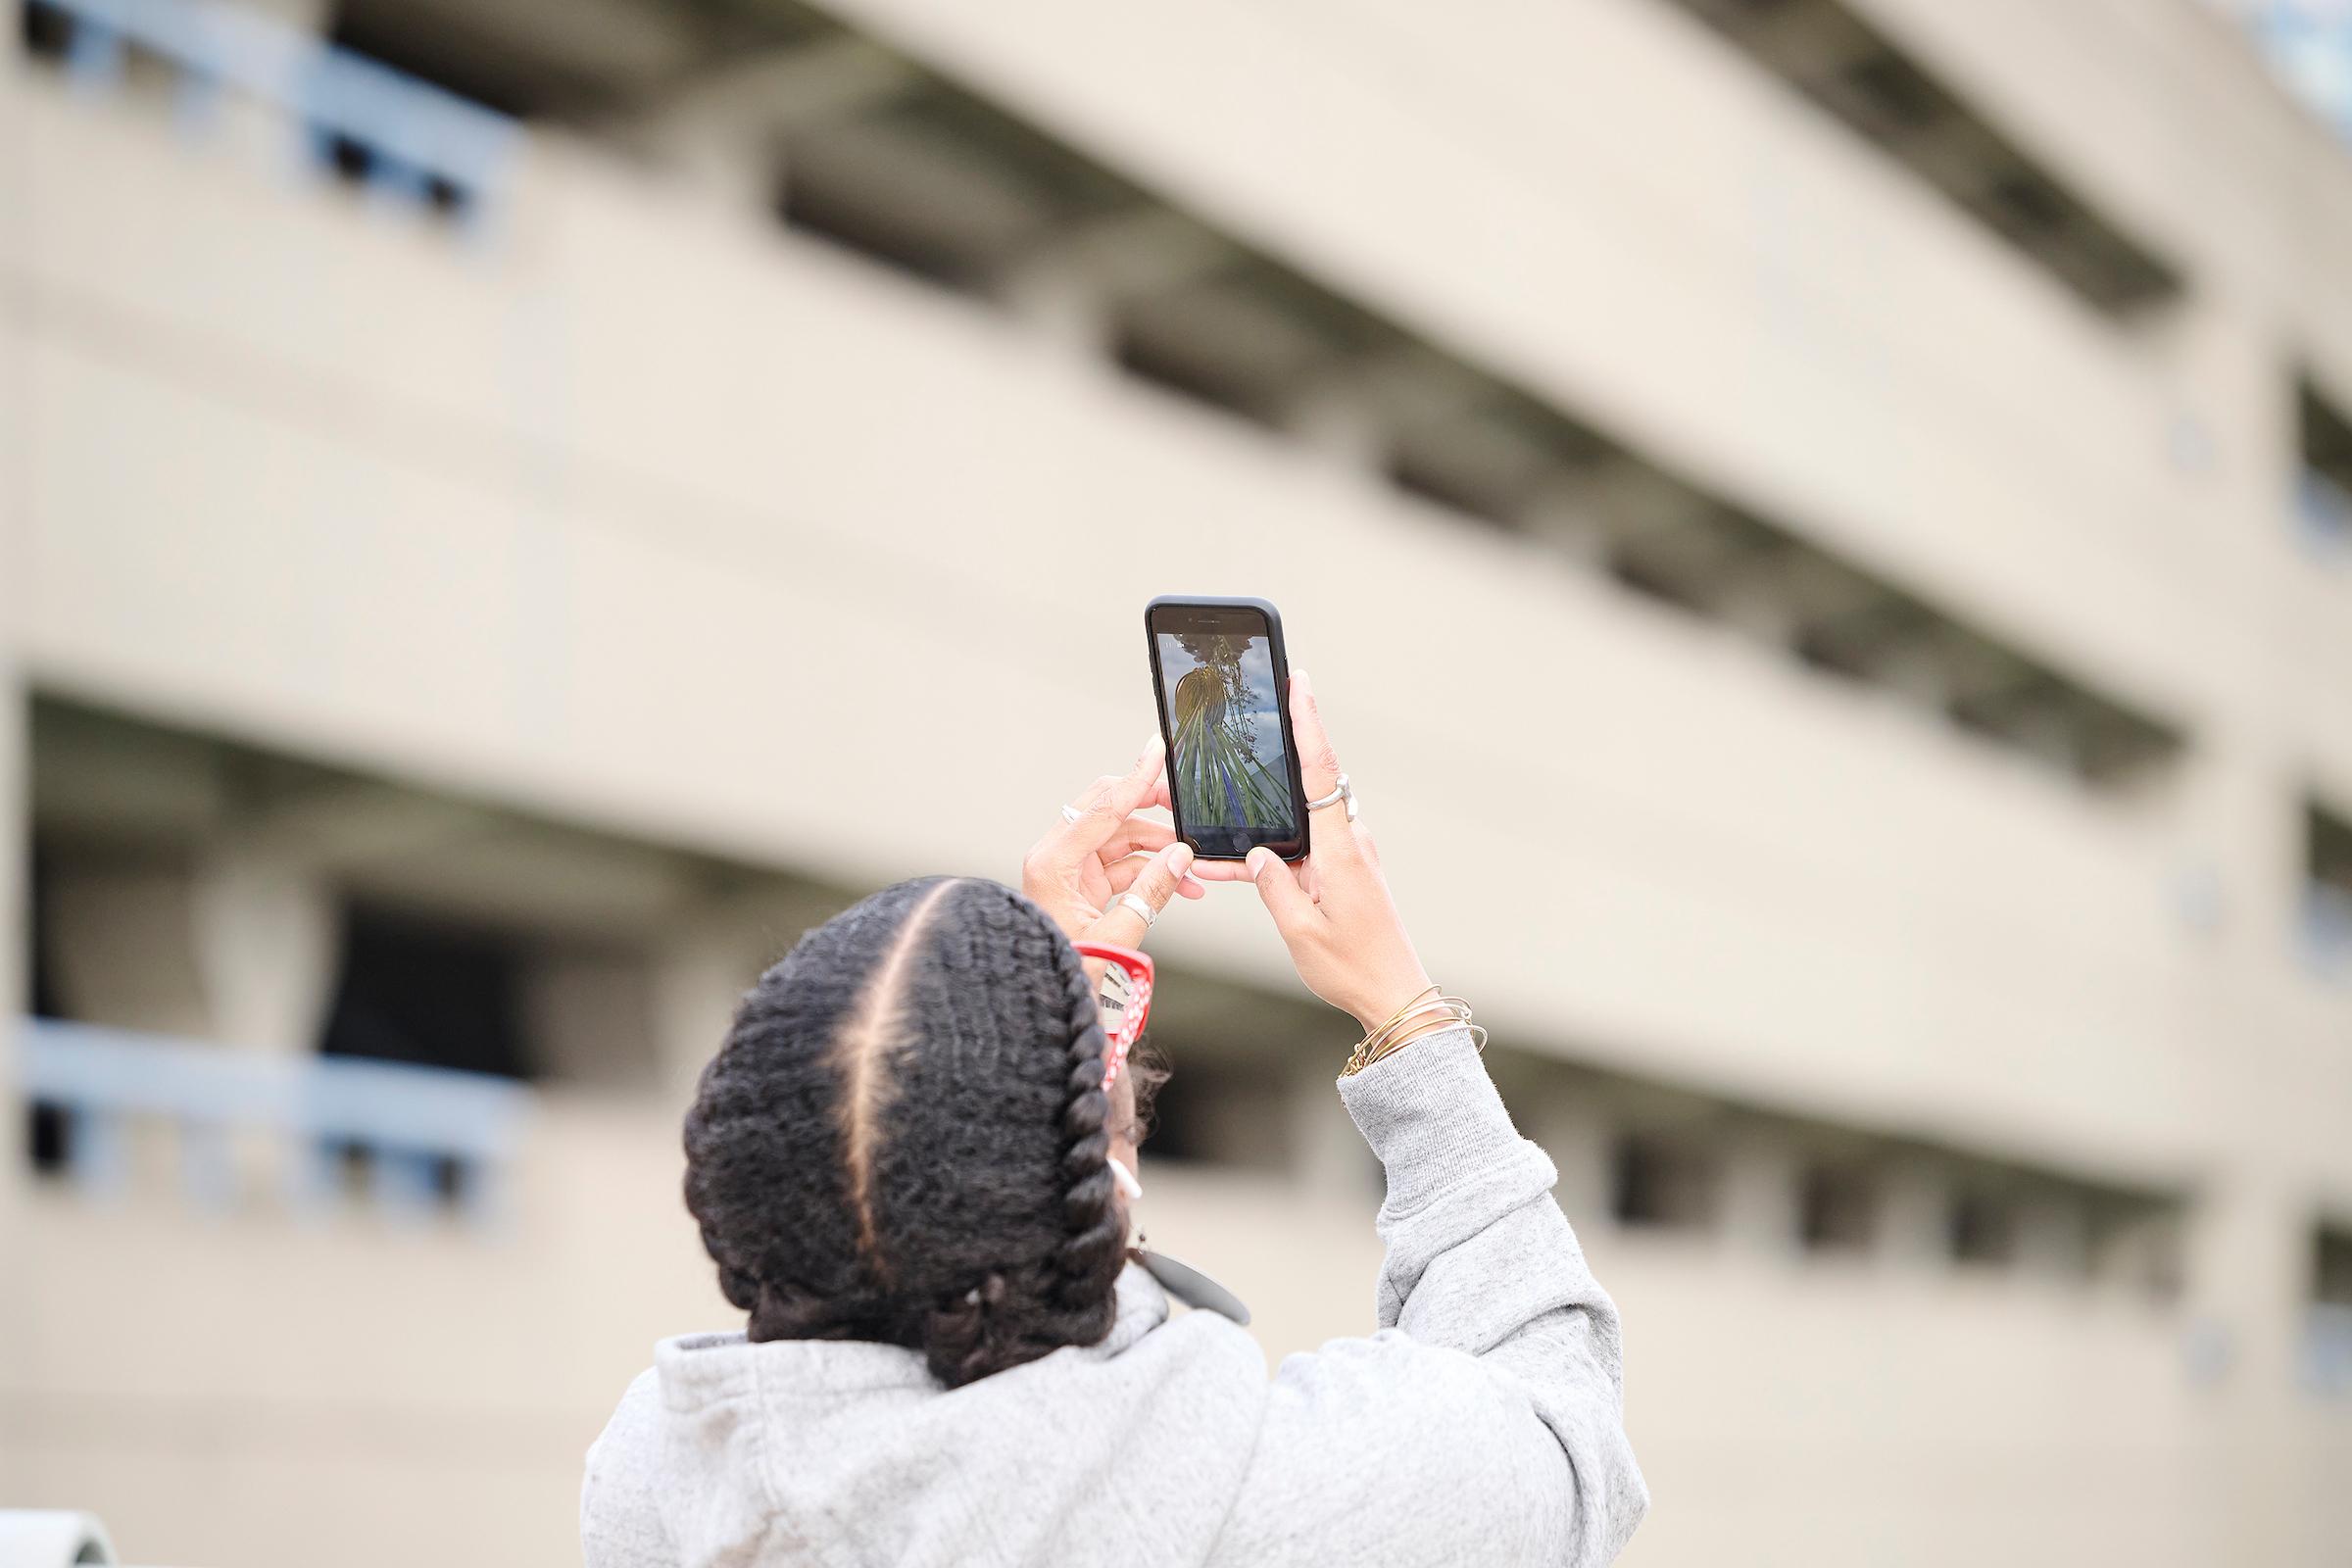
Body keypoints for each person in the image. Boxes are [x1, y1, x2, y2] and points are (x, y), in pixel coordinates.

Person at [580, 671, 1648, 1567]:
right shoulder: (1261, 1503)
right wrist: (1399, 1006)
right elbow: (1561, 1427)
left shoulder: (649, 1483)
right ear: (1109, 1183)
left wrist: (1021, 1052)